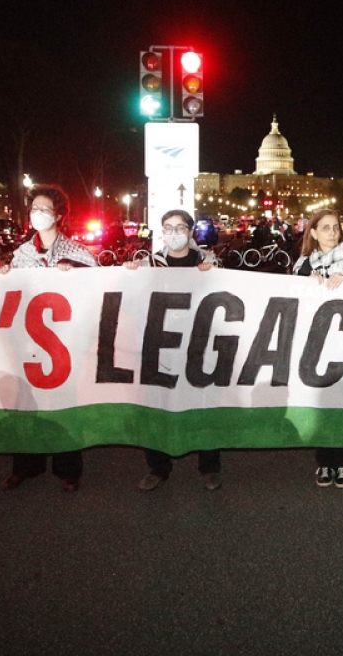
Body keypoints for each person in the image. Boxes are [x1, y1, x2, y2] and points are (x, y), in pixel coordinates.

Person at [0, 185, 97, 493]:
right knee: (26, 403)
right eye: (34, 209)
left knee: (65, 404)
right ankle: (26, 465)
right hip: (28, 345)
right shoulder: (21, 255)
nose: (38, 215)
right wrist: (3, 274)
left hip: (65, 345)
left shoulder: (78, 253)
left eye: (45, 209)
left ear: (59, 215)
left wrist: (74, 273)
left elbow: (97, 289)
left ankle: (68, 469)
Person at [125, 209, 222, 491]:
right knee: (157, 406)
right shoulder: (148, 265)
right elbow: (128, 297)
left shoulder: (209, 261)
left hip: (199, 344)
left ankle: (210, 466)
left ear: (191, 232)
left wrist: (212, 275)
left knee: (204, 405)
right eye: (168, 228)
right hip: (160, 345)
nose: (174, 233)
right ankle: (158, 466)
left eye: (180, 228)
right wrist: (130, 276)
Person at [294, 208, 343, 488]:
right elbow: (291, 303)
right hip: (315, 348)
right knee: (322, 407)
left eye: (336, 227)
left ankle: (342, 463)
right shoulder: (302, 266)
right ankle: (324, 462)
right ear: (312, 232)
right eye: (325, 228)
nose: (332, 233)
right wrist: (305, 285)